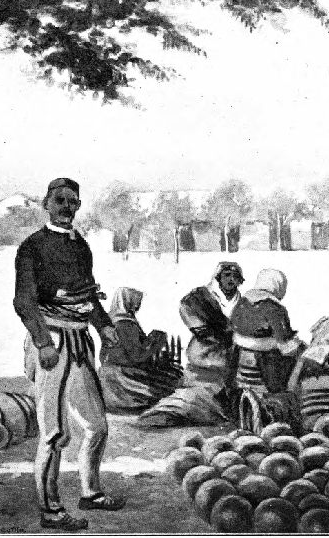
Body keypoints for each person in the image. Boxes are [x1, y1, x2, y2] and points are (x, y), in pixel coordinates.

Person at [14, 178, 124, 531]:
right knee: (54, 433)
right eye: (58, 200)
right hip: (51, 344)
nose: (65, 206)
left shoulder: (81, 245)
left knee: (96, 426)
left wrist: (104, 326)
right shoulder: (31, 247)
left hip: (80, 344)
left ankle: (89, 492)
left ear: (78, 206)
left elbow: (87, 295)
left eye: (72, 201)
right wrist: (43, 343)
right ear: (46, 204)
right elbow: (24, 302)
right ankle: (50, 509)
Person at [135, 262, 243, 427]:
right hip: (205, 357)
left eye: (235, 277)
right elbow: (188, 308)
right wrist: (206, 331)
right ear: (219, 277)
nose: (231, 280)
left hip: (229, 361)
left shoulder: (241, 302)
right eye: (227, 275)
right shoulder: (202, 297)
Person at [228, 269, 305, 433]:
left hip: (240, 358)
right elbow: (285, 344)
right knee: (300, 363)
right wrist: (302, 348)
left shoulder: (241, 303)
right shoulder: (274, 309)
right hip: (265, 362)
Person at [98, 287, 179, 414]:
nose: (138, 305)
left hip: (107, 376)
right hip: (123, 378)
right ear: (128, 301)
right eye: (136, 302)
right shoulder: (125, 324)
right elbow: (137, 356)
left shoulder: (109, 321)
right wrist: (155, 339)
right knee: (170, 387)